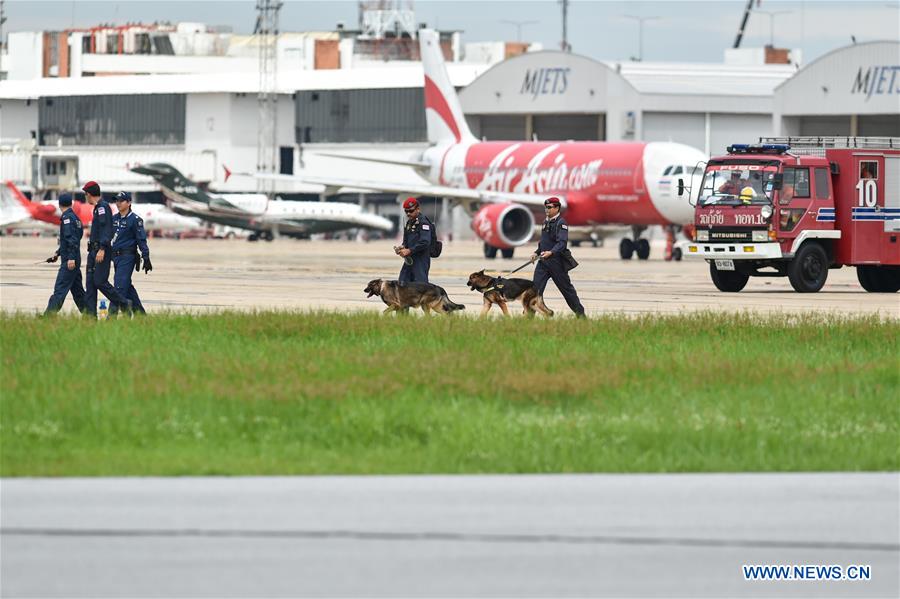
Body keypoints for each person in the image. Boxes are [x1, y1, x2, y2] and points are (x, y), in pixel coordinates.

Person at [530, 197, 585, 318]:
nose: (547, 210)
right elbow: (543, 242)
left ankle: (581, 316)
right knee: (534, 291)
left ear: (557, 208)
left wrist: (551, 252)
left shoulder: (561, 223)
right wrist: (536, 252)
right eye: (546, 207)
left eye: (549, 207)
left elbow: (562, 243)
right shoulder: (546, 222)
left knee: (567, 291)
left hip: (557, 263)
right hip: (543, 263)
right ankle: (528, 318)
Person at [82, 181, 131, 317]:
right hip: (93, 251)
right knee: (90, 284)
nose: (85, 196)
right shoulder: (98, 208)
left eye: (85, 194)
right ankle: (90, 318)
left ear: (89, 194)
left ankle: (124, 303)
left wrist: (102, 248)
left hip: (100, 251)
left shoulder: (103, 207)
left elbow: (107, 229)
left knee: (100, 281)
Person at [42, 193, 87, 316]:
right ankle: (89, 315)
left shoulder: (67, 218)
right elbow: (75, 238)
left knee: (60, 289)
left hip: (69, 261)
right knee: (78, 292)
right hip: (74, 258)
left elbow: (71, 239)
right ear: (71, 204)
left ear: (59, 204)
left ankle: (48, 316)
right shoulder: (76, 218)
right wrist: (58, 253)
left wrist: (70, 257)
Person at [110, 191, 152, 315]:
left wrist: (146, 257)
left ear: (128, 203)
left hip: (127, 257)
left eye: (121, 201)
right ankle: (141, 315)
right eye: (116, 200)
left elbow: (141, 240)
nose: (118, 203)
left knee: (119, 287)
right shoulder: (114, 219)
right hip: (115, 257)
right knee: (127, 287)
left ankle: (111, 317)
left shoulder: (135, 220)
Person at [396, 197, 432, 283]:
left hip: (420, 259)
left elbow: (425, 241)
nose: (408, 213)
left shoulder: (423, 222)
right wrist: (402, 247)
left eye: (411, 211)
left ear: (418, 209)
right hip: (410, 260)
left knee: (420, 286)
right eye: (406, 211)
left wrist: (409, 250)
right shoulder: (409, 223)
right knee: (402, 283)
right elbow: (406, 241)